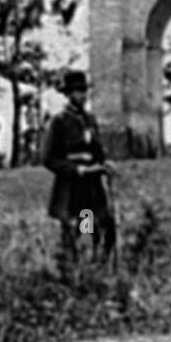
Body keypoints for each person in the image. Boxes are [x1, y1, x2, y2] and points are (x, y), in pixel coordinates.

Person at [43, 70, 116, 280]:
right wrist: (77, 170)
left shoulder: (89, 120)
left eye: (84, 91)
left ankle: (95, 271)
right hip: (71, 188)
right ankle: (71, 276)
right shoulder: (59, 121)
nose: (82, 95)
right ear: (68, 94)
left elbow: (97, 151)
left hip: (91, 189)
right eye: (77, 91)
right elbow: (48, 158)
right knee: (74, 234)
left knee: (97, 229)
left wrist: (104, 163)